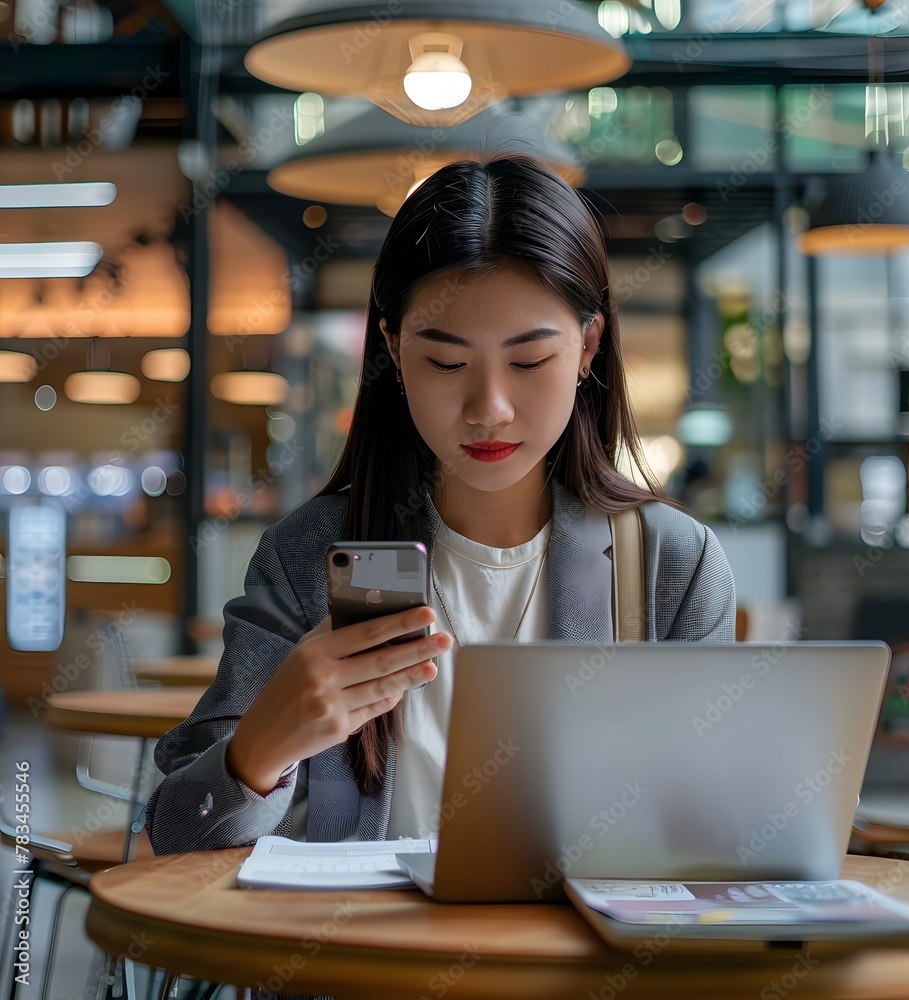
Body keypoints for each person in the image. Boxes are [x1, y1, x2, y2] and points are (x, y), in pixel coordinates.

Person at [145, 154, 736, 855]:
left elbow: (714, 834)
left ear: (588, 345)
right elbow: (179, 834)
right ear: (393, 349)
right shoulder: (311, 556)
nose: (488, 409)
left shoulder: (671, 564)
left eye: (528, 362)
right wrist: (260, 752)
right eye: (447, 363)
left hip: (575, 962)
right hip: (366, 958)